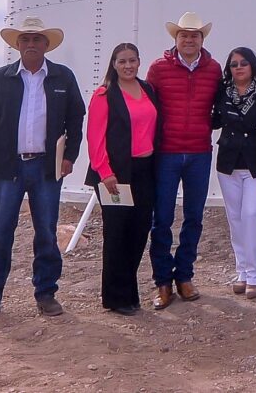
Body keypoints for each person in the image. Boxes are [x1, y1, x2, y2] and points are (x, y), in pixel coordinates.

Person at [0, 15, 86, 324]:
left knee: (46, 233)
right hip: (6, 168)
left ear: (46, 44)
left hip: (46, 168)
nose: (31, 44)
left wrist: (69, 156)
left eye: (36, 39)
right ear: (17, 45)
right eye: (25, 39)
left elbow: (76, 118)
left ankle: (46, 294)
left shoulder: (62, 77)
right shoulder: (0, 79)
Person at [147, 12, 222, 310]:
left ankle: (185, 275)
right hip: (166, 152)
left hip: (199, 153)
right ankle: (163, 281)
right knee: (162, 218)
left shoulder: (214, 69)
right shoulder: (158, 68)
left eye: (194, 35)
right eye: (184, 35)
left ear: (202, 39)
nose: (189, 40)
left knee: (194, 217)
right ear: (175, 38)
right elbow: (147, 107)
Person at [86, 43, 160, 315]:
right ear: (114, 64)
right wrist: (105, 172)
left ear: (139, 62)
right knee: (117, 234)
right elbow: (95, 138)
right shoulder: (104, 94)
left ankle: (129, 292)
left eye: (132, 60)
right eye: (122, 61)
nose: (128, 66)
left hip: (145, 170)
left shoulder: (148, 89)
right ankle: (115, 298)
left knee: (139, 231)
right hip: (115, 175)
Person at [212, 47, 256, 300]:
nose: (238, 67)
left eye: (243, 63)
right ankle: (242, 272)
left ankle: (255, 275)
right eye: (233, 64)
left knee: (252, 215)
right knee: (235, 219)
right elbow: (212, 120)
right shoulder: (221, 92)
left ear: (253, 65)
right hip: (228, 164)